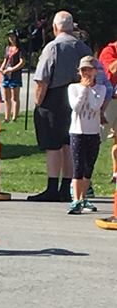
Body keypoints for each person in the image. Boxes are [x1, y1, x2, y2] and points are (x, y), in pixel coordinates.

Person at [28, 10, 92, 202]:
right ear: (71, 27)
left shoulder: (52, 48)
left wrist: (38, 103)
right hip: (77, 98)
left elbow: (42, 79)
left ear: (55, 27)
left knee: (53, 146)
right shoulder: (83, 48)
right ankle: (66, 188)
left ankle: (51, 187)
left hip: (54, 99)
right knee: (69, 145)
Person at [67, 56, 106, 213]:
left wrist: (90, 89)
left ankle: (83, 198)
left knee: (88, 166)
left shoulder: (101, 89)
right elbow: (75, 107)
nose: (86, 73)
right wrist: (84, 88)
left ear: (95, 71)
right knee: (78, 166)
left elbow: (95, 106)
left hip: (93, 131)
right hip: (77, 131)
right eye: (83, 70)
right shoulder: (73, 88)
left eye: (89, 70)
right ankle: (76, 199)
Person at [97, 36, 117, 182]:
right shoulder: (109, 51)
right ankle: (84, 178)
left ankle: (116, 173)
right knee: (97, 138)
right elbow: (112, 69)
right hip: (110, 102)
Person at [0, 30, 25, 122]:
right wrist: (2, 68)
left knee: (15, 97)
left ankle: (14, 117)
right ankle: (7, 117)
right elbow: (5, 60)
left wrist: (12, 69)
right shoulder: (7, 48)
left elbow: (22, 62)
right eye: (9, 37)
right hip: (6, 74)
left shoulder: (19, 48)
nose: (11, 38)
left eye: (13, 36)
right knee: (6, 97)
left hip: (15, 74)